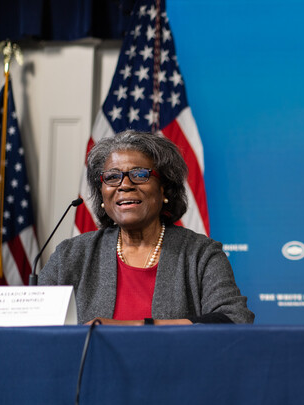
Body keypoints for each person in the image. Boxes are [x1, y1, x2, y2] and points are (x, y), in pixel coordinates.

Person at [40, 130, 254, 325]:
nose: (124, 185)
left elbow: (235, 319)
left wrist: (140, 327)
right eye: (112, 177)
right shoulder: (70, 255)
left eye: (140, 174)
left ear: (164, 190)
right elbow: (32, 324)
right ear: (102, 195)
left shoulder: (200, 254)